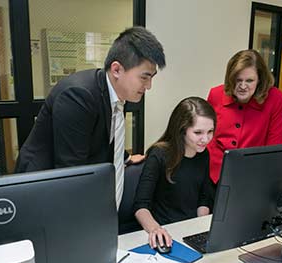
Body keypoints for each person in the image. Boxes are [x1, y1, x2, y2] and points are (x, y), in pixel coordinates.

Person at [15, 26, 165, 209]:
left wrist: (124, 157)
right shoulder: (78, 96)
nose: (149, 86)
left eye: (152, 77)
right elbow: (71, 170)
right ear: (117, 69)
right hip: (42, 186)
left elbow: (102, 132)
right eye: (144, 77)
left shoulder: (116, 92)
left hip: (71, 178)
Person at [133, 97, 216, 249]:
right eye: (198, 132)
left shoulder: (203, 154)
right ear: (181, 130)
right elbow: (140, 206)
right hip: (165, 230)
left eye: (210, 131)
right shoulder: (159, 154)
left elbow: (203, 199)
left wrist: (201, 227)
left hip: (191, 231)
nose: (206, 139)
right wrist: (155, 229)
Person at [206, 49, 282, 184]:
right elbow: (208, 140)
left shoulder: (277, 100)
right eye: (237, 80)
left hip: (254, 177)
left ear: (260, 80)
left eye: (249, 80)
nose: (243, 86)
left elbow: (276, 150)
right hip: (214, 176)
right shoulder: (216, 94)